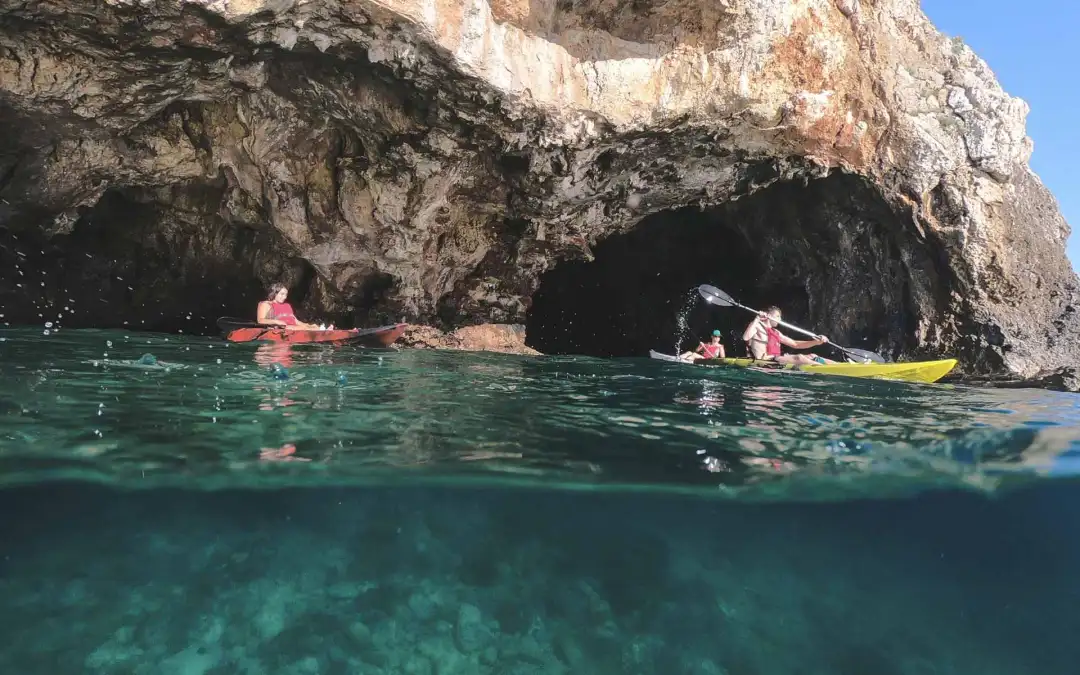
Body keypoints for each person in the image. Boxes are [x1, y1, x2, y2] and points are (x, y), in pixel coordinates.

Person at [742, 306, 837, 365]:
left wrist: (816, 342)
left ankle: (840, 366)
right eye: (777, 316)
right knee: (799, 357)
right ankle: (826, 369)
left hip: (776, 359)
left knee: (812, 355)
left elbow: (796, 344)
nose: (780, 319)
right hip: (764, 361)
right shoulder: (757, 325)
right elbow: (745, 337)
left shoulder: (776, 332)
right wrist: (757, 318)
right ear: (768, 316)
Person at [257, 283, 324, 330]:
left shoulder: (287, 306)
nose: (284, 297)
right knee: (304, 328)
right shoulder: (266, 304)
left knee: (312, 327)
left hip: (293, 328)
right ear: (274, 293)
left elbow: (295, 321)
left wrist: (308, 325)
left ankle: (322, 330)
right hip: (279, 329)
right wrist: (277, 322)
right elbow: (260, 320)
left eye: (286, 295)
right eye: (282, 294)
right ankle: (321, 331)